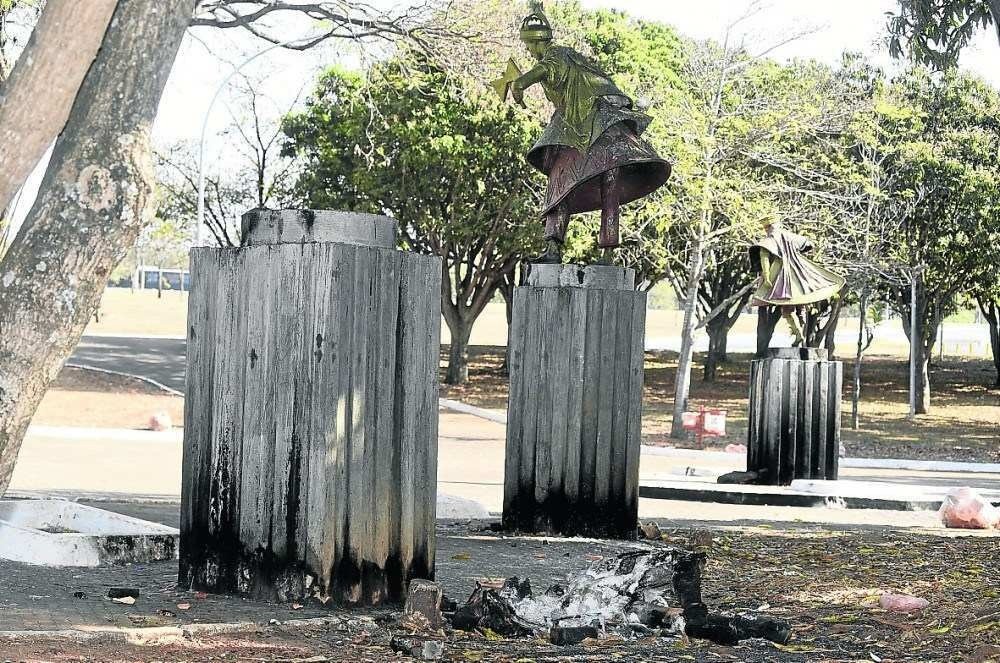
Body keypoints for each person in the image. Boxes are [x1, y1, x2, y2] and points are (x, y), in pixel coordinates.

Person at [496, 1, 670, 264]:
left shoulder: (557, 54)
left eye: (528, 45)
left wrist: (521, 83)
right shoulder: (561, 56)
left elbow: (546, 69)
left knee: (595, 181)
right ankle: (561, 248)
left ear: (536, 42)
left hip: (596, 125)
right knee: (570, 180)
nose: (528, 51)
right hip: (579, 128)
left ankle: (601, 252)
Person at [749, 217, 845, 346]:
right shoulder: (789, 236)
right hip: (799, 276)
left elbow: (764, 258)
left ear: (768, 227)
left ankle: (799, 333)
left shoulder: (769, 240)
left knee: (787, 309)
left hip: (782, 277)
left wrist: (766, 277)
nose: (765, 230)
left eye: (766, 227)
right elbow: (807, 243)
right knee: (797, 305)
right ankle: (799, 330)